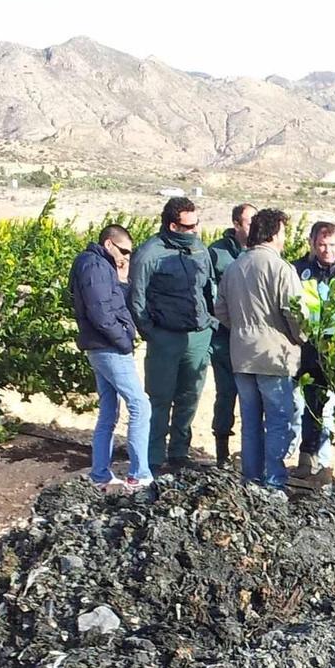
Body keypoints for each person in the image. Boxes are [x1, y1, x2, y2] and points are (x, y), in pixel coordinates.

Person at [215, 207, 306, 493]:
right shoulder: (281, 269)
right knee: (278, 421)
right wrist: (300, 338)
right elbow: (296, 314)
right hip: (274, 357)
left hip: (242, 355)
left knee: (250, 422)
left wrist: (241, 329)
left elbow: (220, 309)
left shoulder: (234, 267)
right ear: (275, 233)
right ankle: (274, 483)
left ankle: (250, 482)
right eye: (283, 232)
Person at [126, 196, 215, 473]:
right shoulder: (150, 253)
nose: (195, 231)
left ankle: (179, 453)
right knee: (160, 398)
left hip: (197, 336)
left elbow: (208, 288)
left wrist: (210, 323)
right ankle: (152, 457)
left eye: (196, 225)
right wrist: (152, 333)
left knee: (190, 397)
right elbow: (137, 300)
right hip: (164, 337)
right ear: (173, 226)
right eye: (188, 227)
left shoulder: (199, 249)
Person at [68, 224, 151, 491]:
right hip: (107, 347)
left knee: (109, 411)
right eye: (124, 250)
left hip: (99, 346)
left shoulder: (98, 265)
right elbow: (101, 312)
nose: (127, 256)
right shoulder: (95, 267)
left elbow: (111, 302)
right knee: (140, 405)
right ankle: (139, 474)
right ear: (108, 244)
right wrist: (124, 339)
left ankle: (100, 474)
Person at [292, 220, 335, 484]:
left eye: (332, 245)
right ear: (312, 244)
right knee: (312, 406)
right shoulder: (298, 270)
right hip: (310, 351)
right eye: (322, 244)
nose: (328, 250)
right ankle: (308, 458)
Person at [207, 202, 254, 466]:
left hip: (252, 340)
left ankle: (250, 455)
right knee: (226, 394)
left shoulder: (261, 252)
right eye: (249, 221)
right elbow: (211, 295)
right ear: (236, 224)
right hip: (225, 337)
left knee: (253, 398)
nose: (254, 226)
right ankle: (222, 453)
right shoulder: (218, 253)